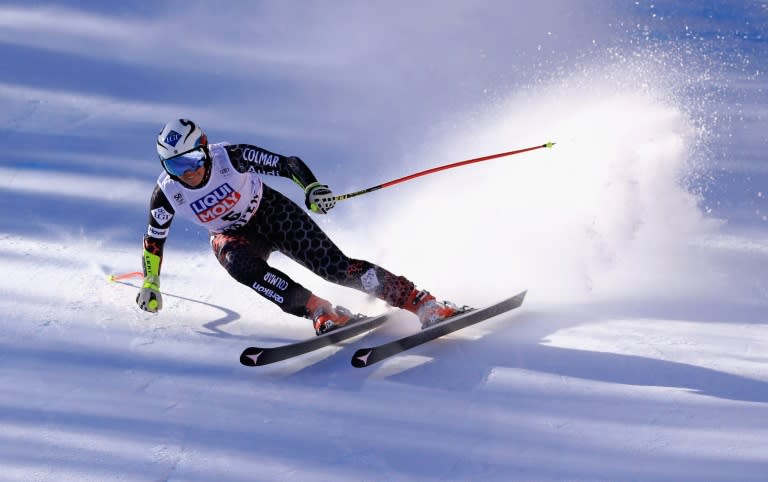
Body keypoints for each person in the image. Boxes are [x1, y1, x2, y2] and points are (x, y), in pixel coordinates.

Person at [136, 118, 461, 334]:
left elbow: (285, 164)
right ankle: (318, 310)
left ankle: (420, 301)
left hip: (269, 211)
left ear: (204, 148)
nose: (187, 172)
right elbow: (154, 239)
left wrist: (311, 187)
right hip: (232, 235)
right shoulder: (168, 192)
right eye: (175, 165)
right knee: (239, 265)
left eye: (191, 160)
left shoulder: (229, 157)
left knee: (335, 268)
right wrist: (150, 281)